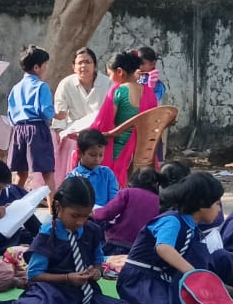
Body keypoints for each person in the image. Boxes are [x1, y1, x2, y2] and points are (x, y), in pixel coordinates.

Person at [0, 177, 121, 304]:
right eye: (75, 216)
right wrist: (67, 278)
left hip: (84, 291)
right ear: (58, 207)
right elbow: (35, 275)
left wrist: (96, 271)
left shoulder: (92, 231)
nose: (80, 222)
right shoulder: (48, 234)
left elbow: (97, 258)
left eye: (86, 216)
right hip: (51, 290)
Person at [117, 173, 233, 304]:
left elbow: (201, 270)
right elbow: (164, 248)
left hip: (162, 278)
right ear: (202, 204)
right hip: (140, 281)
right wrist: (194, 273)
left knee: (222, 257)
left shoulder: (193, 230)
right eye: (217, 204)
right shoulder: (172, 221)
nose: (219, 209)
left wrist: (230, 290)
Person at [90, 50, 159, 186]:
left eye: (110, 74)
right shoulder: (148, 92)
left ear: (120, 72)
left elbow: (104, 124)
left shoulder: (119, 91)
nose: (109, 79)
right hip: (144, 148)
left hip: (120, 146)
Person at [54, 48, 113, 177]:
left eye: (87, 62)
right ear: (73, 66)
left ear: (95, 65)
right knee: (67, 143)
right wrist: (60, 133)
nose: (83, 66)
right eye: (79, 63)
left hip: (100, 131)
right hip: (74, 130)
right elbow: (60, 114)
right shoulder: (65, 84)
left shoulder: (107, 83)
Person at [6, 46, 57, 191]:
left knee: (21, 173)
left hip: (18, 130)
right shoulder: (42, 86)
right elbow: (45, 110)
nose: (46, 68)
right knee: (47, 173)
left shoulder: (15, 88)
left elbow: (11, 113)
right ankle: (53, 209)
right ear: (37, 67)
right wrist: (54, 115)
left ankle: (12, 203)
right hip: (37, 129)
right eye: (45, 65)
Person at [94, 165, 162, 255]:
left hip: (119, 243)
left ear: (131, 183)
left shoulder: (128, 193)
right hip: (143, 249)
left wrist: (93, 213)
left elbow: (107, 213)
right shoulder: (159, 201)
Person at [67, 129, 118, 206]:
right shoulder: (73, 177)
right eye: (92, 155)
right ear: (80, 153)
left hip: (105, 215)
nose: (97, 159)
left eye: (101, 155)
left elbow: (114, 199)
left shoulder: (107, 173)